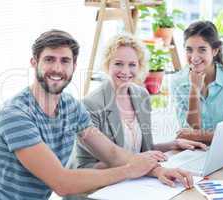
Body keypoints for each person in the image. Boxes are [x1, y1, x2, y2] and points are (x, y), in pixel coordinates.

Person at [0, 30, 192, 200]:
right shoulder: (16, 115)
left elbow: (111, 153)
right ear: (34, 62)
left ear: (74, 66)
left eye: (65, 61)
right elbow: (62, 183)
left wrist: (157, 171)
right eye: (49, 59)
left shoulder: (71, 106)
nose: (57, 68)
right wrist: (130, 170)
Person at [68, 34, 206, 171]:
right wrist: (139, 160)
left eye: (132, 64)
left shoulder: (141, 95)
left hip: (131, 179)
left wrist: (174, 144)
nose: (125, 71)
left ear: (140, 66)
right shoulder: (90, 105)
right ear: (107, 64)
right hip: (96, 184)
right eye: (118, 64)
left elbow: (144, 149)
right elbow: (93, 165)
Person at [171, 21, 223, 144]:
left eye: (202, 50)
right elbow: (187, 133)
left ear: (215, 51)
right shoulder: (178, 81)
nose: (194, 57)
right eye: (189, 50)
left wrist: (197, 136)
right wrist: (194, 89)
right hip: (193, 152)